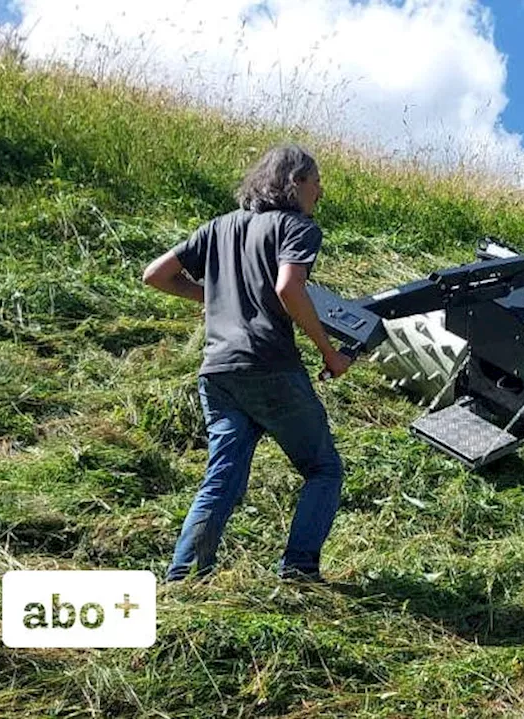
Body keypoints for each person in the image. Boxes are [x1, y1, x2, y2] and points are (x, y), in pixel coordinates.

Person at [142, 143, 353, 583]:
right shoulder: (298, 227)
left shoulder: (217, 227)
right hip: (269, 366)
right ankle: (298, 568)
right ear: (295, 183)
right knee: (324, 468)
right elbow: (289, 290)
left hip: (217, 373)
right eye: (316, 182)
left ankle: (184, 576)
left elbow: (155, 275)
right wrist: (329, 353)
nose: (320, 191)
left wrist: (218, 296)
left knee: (223, 477)